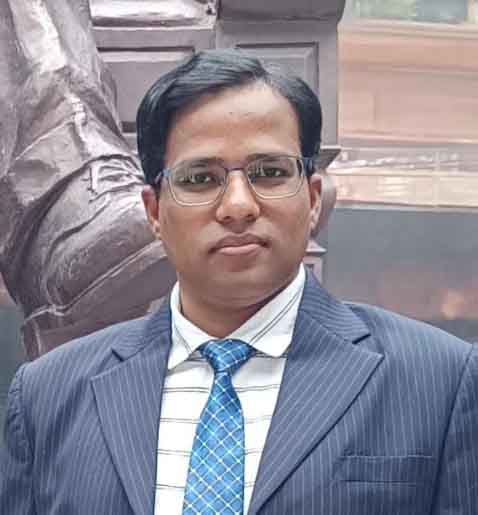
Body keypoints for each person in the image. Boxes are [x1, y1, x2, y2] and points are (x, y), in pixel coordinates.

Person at [1, 49, 477, 515]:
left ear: (313, 199)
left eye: (269, 173)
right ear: (154, 212)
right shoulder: (50, 396)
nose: (237, 206)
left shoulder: (439, 381)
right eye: (199, 179)